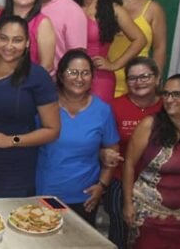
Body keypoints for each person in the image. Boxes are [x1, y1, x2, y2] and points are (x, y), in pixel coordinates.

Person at [0, 15, 60, 198]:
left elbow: (52, 130)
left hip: (14, 164)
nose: (9, 46)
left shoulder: (37, 76)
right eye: (4, 38)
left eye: (17, 40)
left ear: (27, 43)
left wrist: (11, 140)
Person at [123, 74, 180, 249]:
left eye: (177, 94)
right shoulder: (149, 125)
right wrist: (127, 205)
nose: (169, 99)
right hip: (148, 216)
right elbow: (129, 164)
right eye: (166, 94)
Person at [36, 49, 119, 226]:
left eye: (85, 73)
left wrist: (102, 186)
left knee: (79, 243)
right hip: (47, 193)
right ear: (61, 74)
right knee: (50, 241)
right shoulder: (45, 106)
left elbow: (113, 153)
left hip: (85, 198)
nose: (79, 78)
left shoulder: (102, 111)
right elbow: (27, 141)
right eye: (73, 72)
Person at [103, 57, 164, 249]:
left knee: (153, 237)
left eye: (145, 76)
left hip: (159, 185)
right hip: (121, 181)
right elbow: (98, 141)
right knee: (119, 233)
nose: (138, 82)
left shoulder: (167, 106)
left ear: (157, 78)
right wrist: (103, 152)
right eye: (132, 78)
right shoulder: (113, 107)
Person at [72, 0, 145, 104]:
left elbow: (140, 39)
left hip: (99, 77)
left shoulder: (114, 10)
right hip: (69, 76)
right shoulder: (69, 7)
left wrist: (114, 65)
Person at [109, 0, 167, 97]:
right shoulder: (106, 6)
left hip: (140, 82)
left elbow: (160, 48)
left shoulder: (153, 8)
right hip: (107, 78)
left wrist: (155, 79)